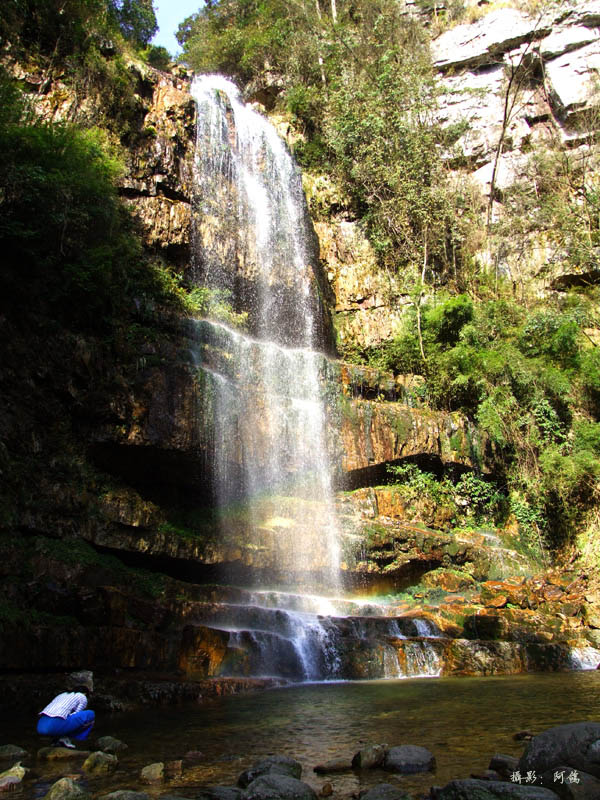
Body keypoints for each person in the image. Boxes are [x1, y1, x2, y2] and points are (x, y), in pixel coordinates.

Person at [37, 671, 95, 749]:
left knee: (64, 717)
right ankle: (66, 739)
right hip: (53, 725)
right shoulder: (82, 696)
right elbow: (77, 714)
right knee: (90, 714)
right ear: (85, 693)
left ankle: (56, 740)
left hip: (41, 725)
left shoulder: (62, 695)